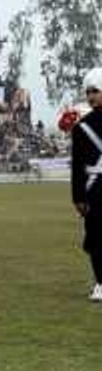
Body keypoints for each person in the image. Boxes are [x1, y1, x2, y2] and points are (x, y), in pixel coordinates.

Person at [70, 68, 102, 302]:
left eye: (96, 91)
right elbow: (77, 166)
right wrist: (78, 197)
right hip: (95, 189)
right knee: (96, 238)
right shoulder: (81, 127)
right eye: (88, 92)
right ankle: (100, 282)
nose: (91, 96)